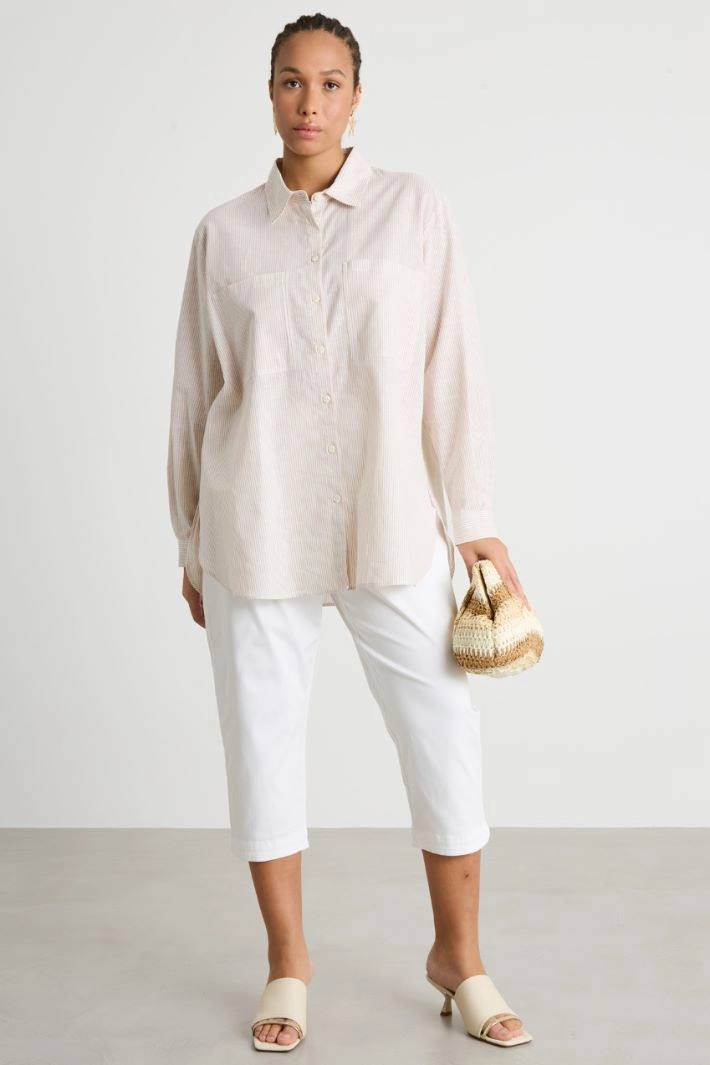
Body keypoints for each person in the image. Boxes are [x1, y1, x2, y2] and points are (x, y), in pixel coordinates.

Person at [167, 11, 534, 1053]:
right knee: (261, 742)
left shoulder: (415, 211)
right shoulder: (223, 234)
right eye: (292, 81)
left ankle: (458, 958)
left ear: (358, 97)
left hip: (392, 518)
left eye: (331, 83)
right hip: (256, 520)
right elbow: (194, 393)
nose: (310, 103)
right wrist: (190, 540)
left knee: (442, 731)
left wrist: (474, 520)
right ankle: (287, 965)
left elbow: (452, 365)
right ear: (269, 93)